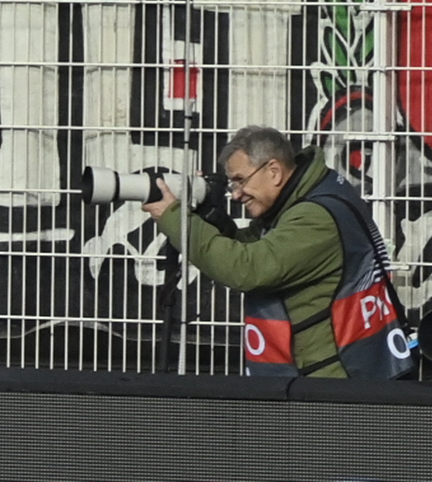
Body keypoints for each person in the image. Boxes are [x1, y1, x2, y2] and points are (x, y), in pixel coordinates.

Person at [144, 126, 403, 379]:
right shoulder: (311, 194)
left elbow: (247, 269)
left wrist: (174, 218)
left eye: (240, 181)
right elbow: (257, 249)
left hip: (335, 383)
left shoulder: (315, 218)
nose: (235, 195)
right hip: (331, 375)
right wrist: (212, 220)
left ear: (274, 171)